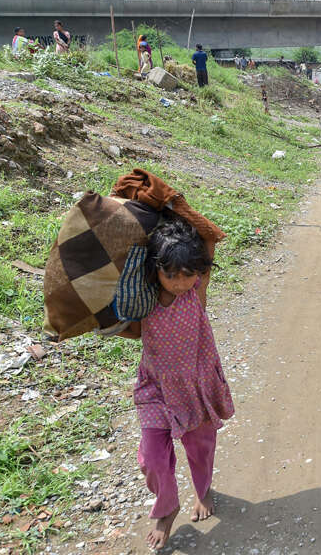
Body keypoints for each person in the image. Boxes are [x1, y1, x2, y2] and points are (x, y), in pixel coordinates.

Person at [118, 215, 234, 550]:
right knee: (151, 458)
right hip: (155, 388)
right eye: (170, 275)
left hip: (195, 387)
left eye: (188, 274)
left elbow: (213, 234)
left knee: (200, 449)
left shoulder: (196, 294)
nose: (180, 282)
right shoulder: (145, 301)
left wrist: (170, 206)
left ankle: (203, 489)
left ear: (199, 272)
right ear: (155, 270)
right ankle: (166, 507)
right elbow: (121, 327)